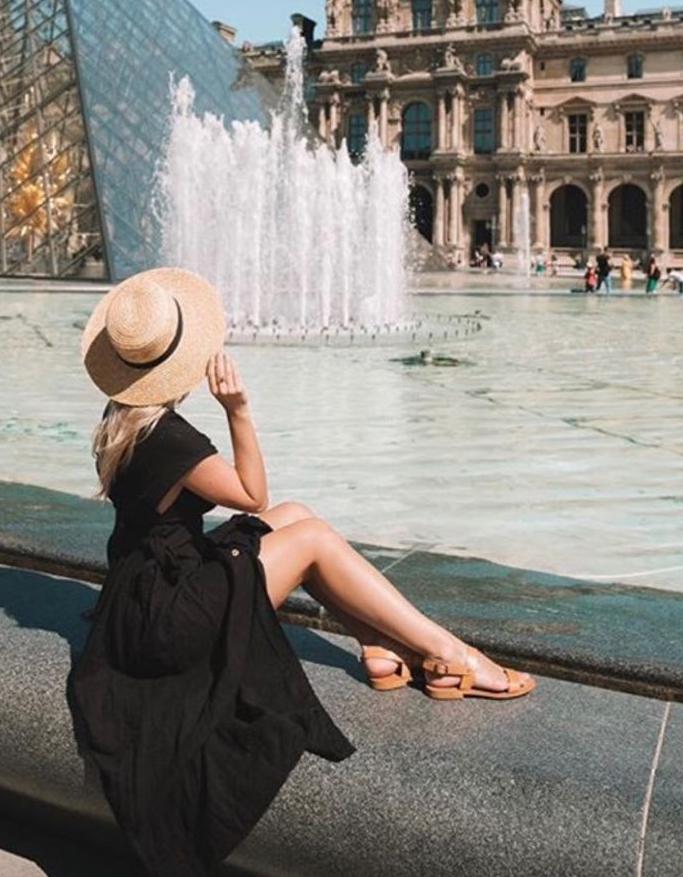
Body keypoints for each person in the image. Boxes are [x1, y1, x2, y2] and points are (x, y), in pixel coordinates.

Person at [71, 268, 534, 876]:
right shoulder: (173, 439)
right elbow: (253, 494)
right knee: (308, 535)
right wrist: (238, 409)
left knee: (302, 516)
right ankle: (454, 655)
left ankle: (373, 643)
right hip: (168, 616)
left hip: (145, 592)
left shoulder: (122, 417)